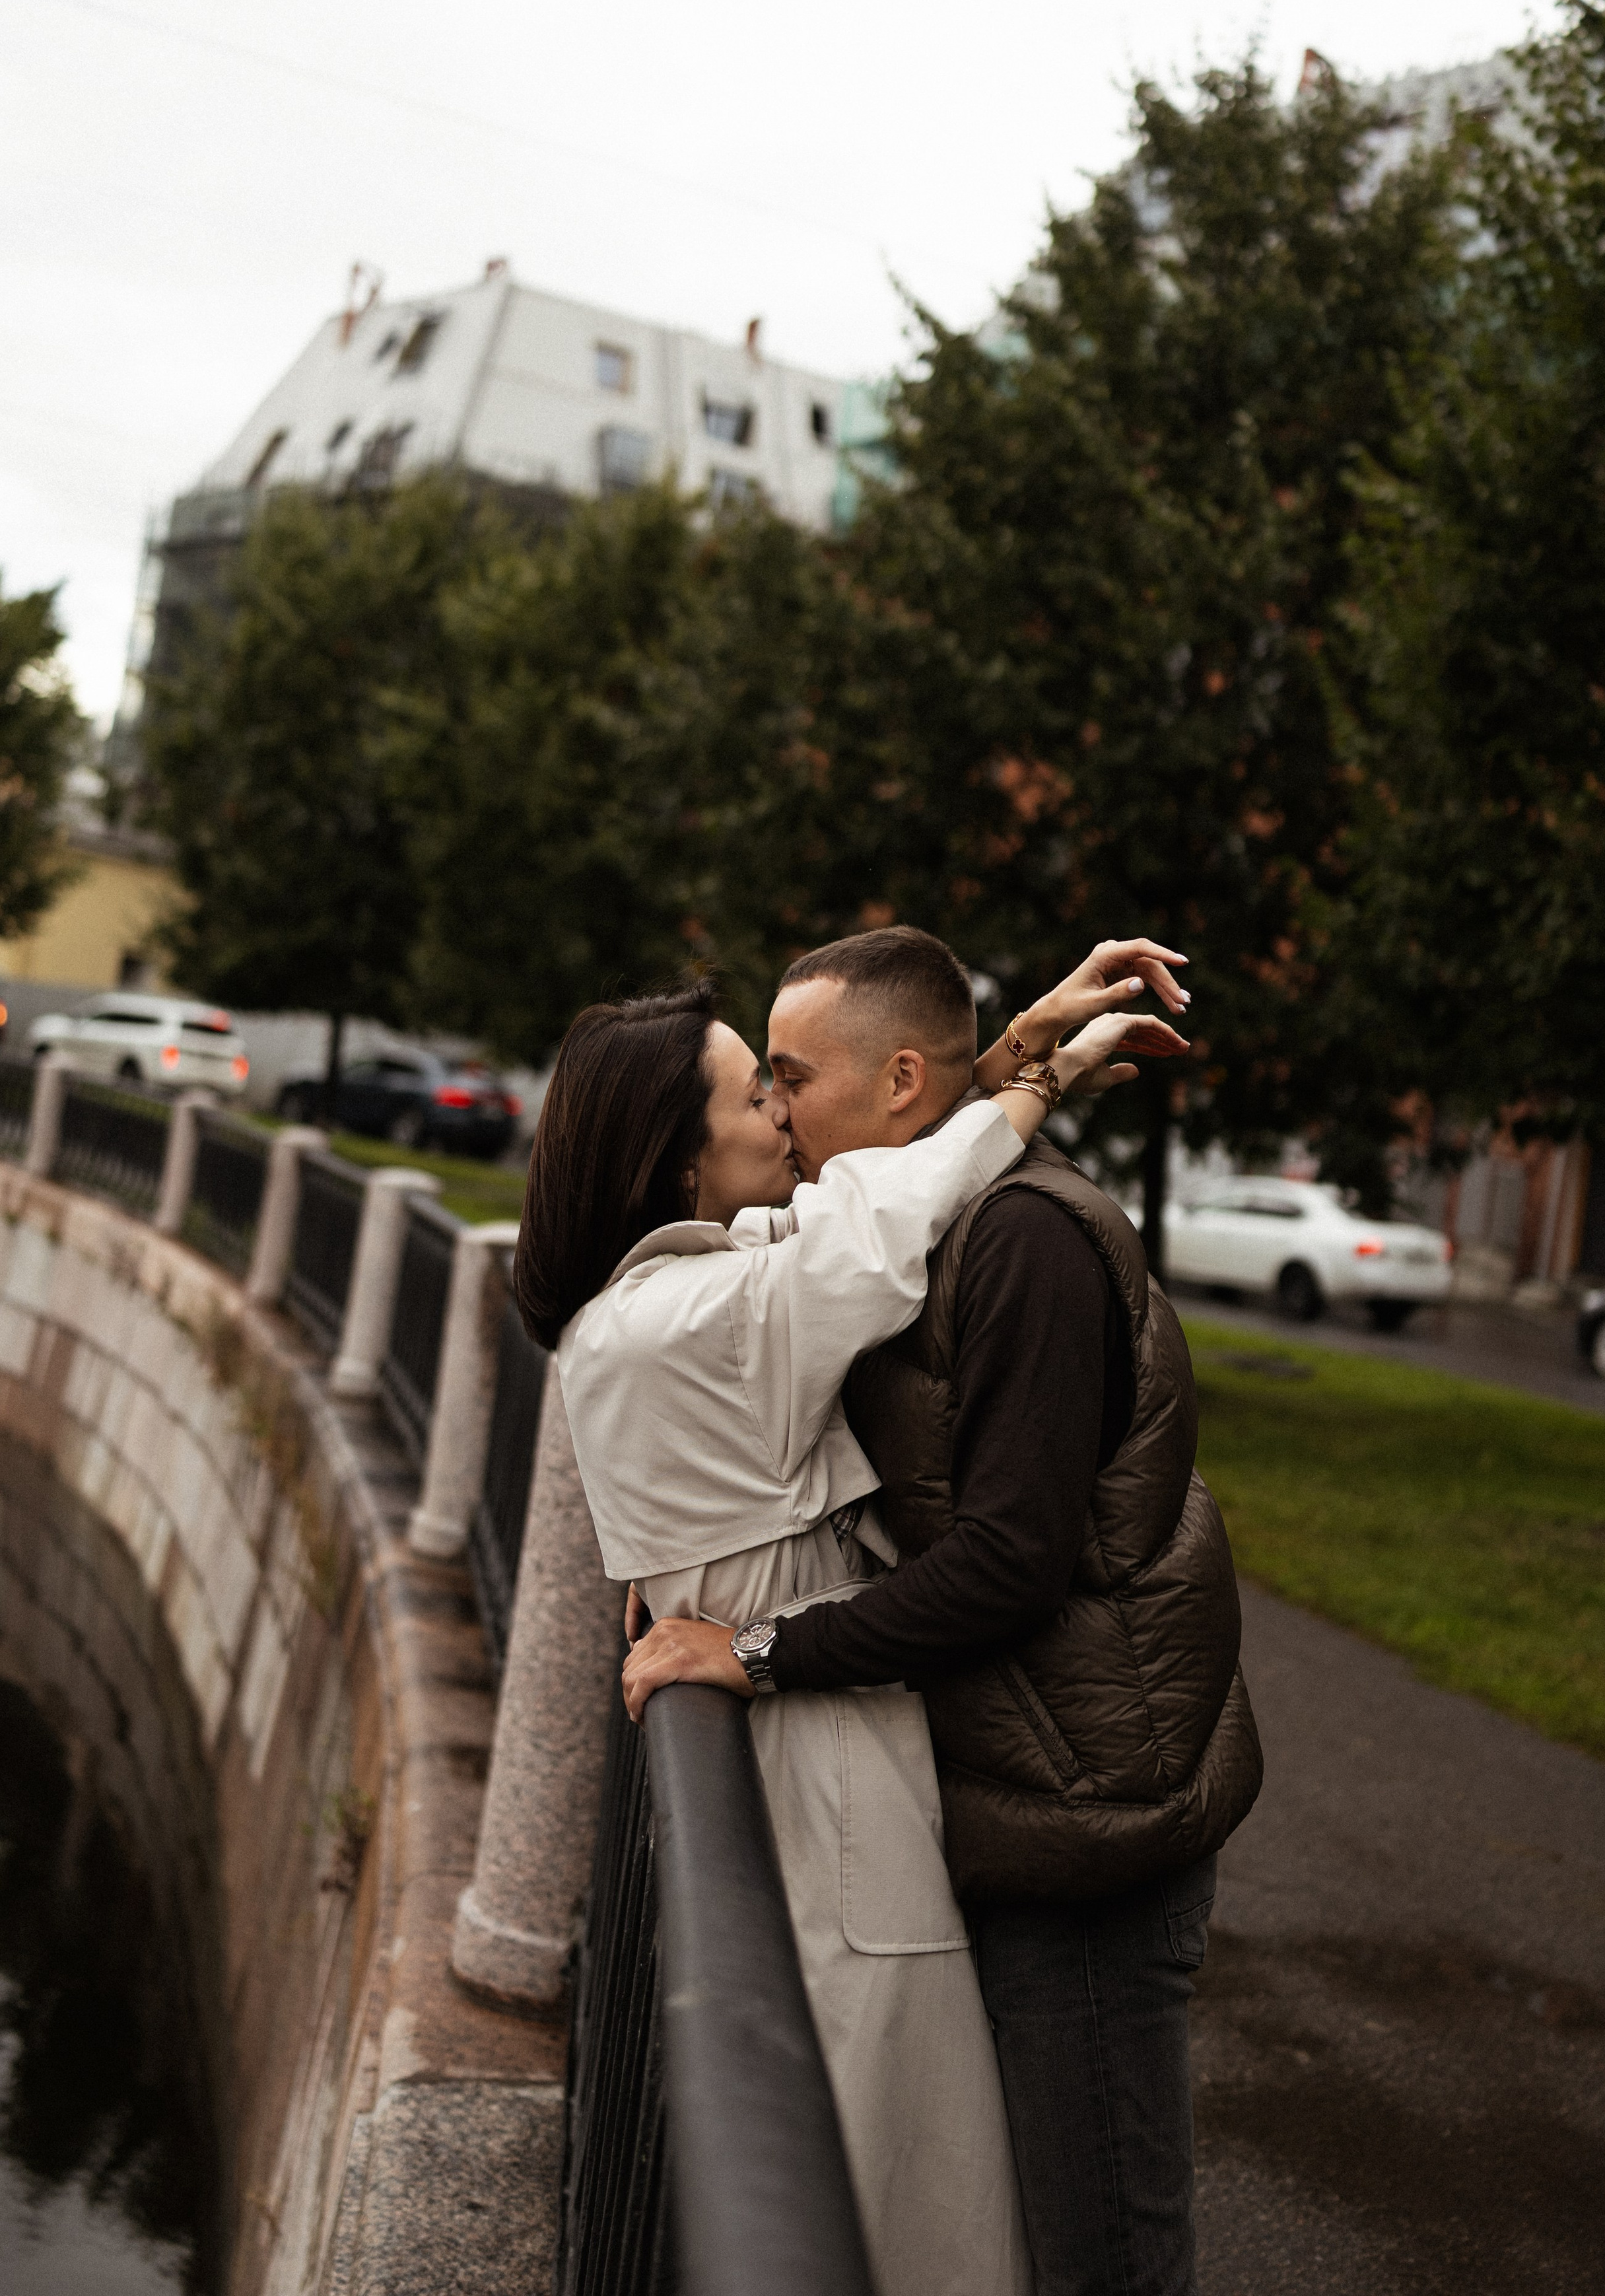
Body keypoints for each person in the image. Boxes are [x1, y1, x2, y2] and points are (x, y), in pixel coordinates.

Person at [512, 958, 1167, 2296]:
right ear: (672, 1152)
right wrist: (1026, 1077)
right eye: (753, 1090)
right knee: (892, 2171)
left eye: (785, 1080)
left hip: (827, 1749)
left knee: (874, 2147)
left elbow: (871, 1193)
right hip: (828, 1785)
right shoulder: (687, 1319)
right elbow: (879, 1224)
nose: (777, 1111)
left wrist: (982, 1071)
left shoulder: (681, 1290)